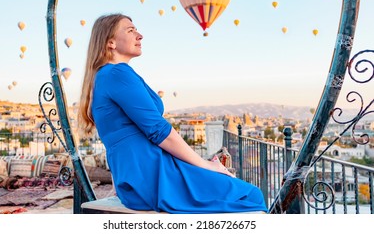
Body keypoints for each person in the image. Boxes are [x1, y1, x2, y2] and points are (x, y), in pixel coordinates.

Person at [78, 13, 268, 214]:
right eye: (131, 30)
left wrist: (119, 182)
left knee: (233, 190)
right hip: (154, 176)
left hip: (139, 177)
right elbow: (159, 132)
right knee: (250, 195)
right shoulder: (118, 74)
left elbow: (116, 138)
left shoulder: (104, 77)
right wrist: (205, 165)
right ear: (111, 43)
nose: (140, 35)